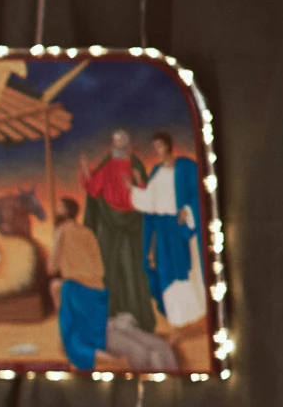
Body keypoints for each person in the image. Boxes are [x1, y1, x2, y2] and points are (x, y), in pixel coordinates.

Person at [79, 128, 156, 333]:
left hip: (132, 225)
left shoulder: (135, 165)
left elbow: (144, 194)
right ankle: (111, 314)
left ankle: (137, 315)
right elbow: (95, 190)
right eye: (114, 141)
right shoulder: (107, 165)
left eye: (120, 141)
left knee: (133, 268)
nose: (116, 144)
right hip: (109, 224)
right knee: (110, 268)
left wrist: (137, 184)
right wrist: (87, 172)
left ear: (127, 143)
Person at [137, 128, 205, 327]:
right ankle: (177, 319)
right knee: (165, 269)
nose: (157, 150)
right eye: (154, 147)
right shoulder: (156, 172)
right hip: (163, 230)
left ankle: (193, 314)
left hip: (180, 227)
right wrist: (135, 188)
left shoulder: (185, 167)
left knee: (185, 269)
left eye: (159, 145)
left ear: (169, 146)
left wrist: (188, 209)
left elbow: (198, 192)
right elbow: (151, 201)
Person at [50, 196, 109, 370]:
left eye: (59, 207)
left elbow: (51, 268)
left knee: (56, 287)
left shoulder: (61, 232)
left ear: (66, 212)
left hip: (77, 289)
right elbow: (99, 267)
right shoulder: (87, 233)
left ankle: (66, 337)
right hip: (97, 291)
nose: (56, 211)